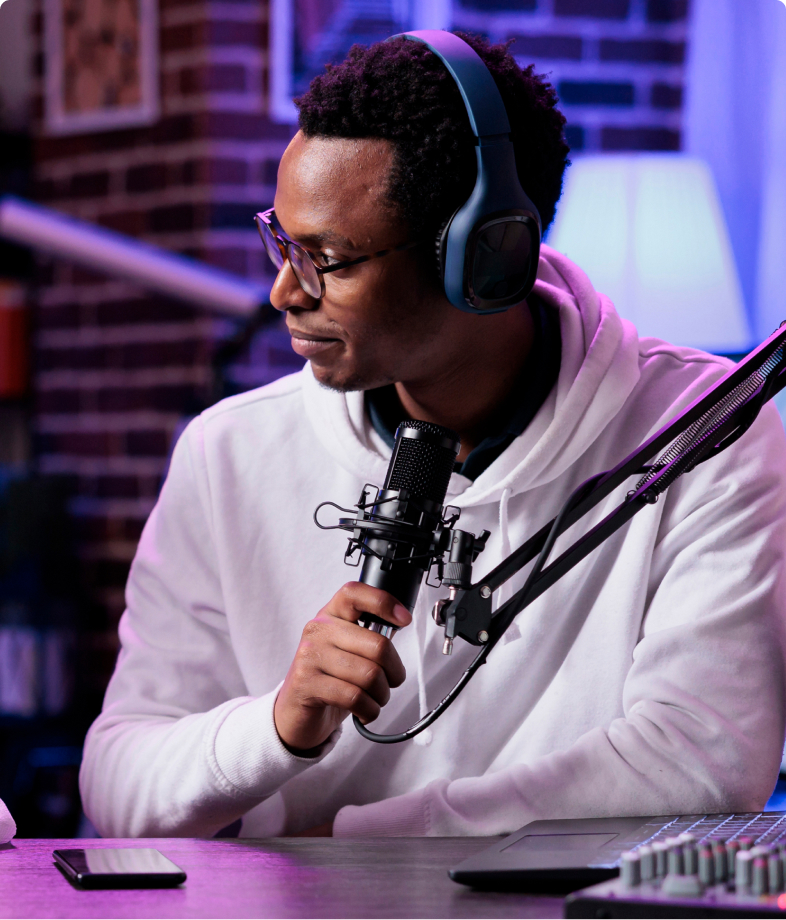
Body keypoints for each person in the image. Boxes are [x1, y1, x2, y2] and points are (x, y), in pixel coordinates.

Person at [80, 33, 786, 839]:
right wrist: (274, 728)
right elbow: (118, 782)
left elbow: (701, 758)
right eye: (282, 242)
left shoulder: (703, 434)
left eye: (327, 259)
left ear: (487, 259)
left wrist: (363, 848)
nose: (283, 292)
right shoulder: (227, 453)